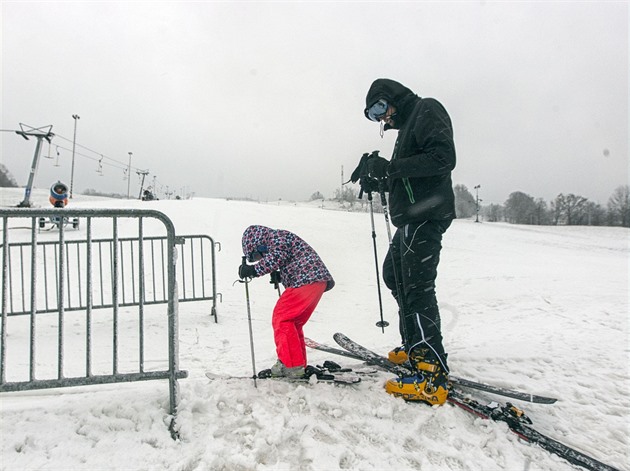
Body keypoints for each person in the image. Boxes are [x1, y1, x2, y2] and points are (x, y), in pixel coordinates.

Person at [359, 78, 456, 405]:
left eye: (380, 108)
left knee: (416, 285)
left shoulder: (427, 108)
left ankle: (431, 372)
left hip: (427, 215)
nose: (381, 118)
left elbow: (443, 159)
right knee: (395, 275)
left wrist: (393, 167)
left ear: (391, 98)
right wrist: (379, 177)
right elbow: (406, 179)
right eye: (374, 115)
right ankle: (416, 343)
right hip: (411, 218)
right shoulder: (406, 129)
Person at [238, 225, 335, 378]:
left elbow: (277, 257)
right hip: (314, 282)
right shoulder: (279, 239)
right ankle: (297, 364)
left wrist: (253, 270)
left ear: (259, 244)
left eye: (257, 256)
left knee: (282, 318)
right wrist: (281, 276)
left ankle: (291, 365)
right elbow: (290, 259)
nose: (260, 259)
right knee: (293, 323)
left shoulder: (276, 237)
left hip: (305, 280)